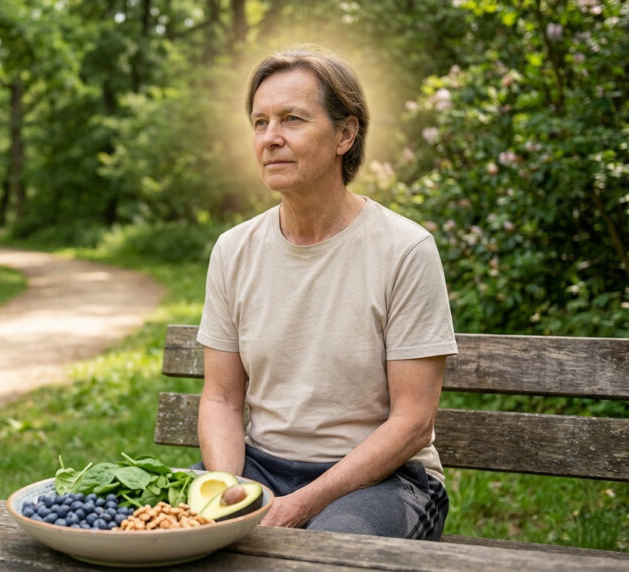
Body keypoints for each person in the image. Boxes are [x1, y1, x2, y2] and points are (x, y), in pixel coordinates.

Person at [195, 44, 457, 540]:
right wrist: (228, 488)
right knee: (153, 535)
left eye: (292, 119)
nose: (271, 138)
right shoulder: (233, 250)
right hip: (259, 470)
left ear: (345, 133)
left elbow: (413, 422)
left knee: (321, 556)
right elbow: (223, 399)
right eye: (260, 122)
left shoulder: (405, 249)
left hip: (384, 481)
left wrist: (299, 505)